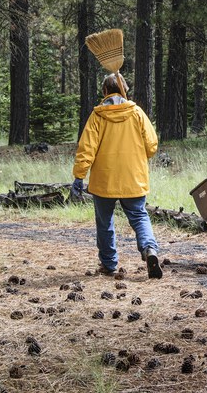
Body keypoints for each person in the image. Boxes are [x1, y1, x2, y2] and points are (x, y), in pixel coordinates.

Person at [72, 73, 162, 279]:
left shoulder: (98, 116)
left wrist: (79, 176)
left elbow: (86, 149)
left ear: (104, 92)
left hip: (105, 181)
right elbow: (152, 145)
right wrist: (138, 156)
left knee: (105, 222)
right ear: (125, 91)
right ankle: (149, 249)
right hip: (134, 177)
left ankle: (109, 264)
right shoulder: (137, 113)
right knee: (139, 216)